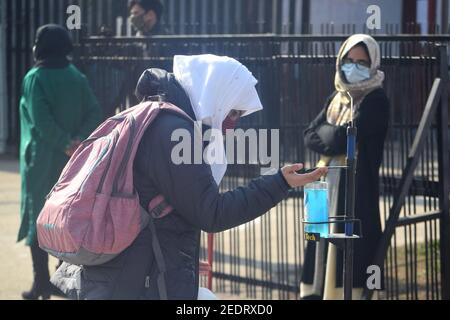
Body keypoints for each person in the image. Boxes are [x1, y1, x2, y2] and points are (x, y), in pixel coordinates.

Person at [51, 54, 327, 300]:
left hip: (126, 273)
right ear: (215, 95)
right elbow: (211, 213)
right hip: (137, 280)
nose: (234, 122)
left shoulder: (158, 116)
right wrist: (279, 183)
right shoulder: (173, 130)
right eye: (233, 112)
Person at [300, 34, 390, 300]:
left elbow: (341, 138)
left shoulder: (376, 100)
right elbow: (309, 135)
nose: (353, 66)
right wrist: (334, 136)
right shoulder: (337, 96)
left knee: (347, 255)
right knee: (317, 243)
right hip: (321, 186)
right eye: (349, 60)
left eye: (361, 62)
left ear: (372, 64)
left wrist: (330, 135)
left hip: (354, 189)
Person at [18, 24, 102, 300]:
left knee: (38, 220)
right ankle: (61, 279)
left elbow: (40, 120)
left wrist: (65, 142)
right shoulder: (76, 76)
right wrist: (78, 142)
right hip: (73, 165)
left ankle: (41, 283)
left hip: (41, 162)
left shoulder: (35, 77)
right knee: (67, 220)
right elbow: (94, 112)